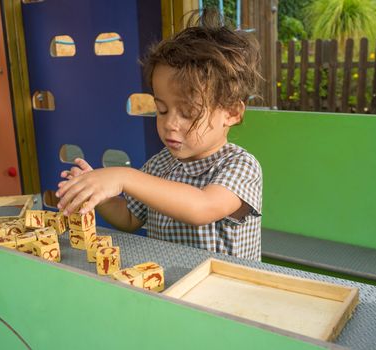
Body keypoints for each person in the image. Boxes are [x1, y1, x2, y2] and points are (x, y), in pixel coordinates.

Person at [56, 9, 263, 260]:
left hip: (222, 292)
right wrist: (99, 194)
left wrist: (123, 176)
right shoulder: (159, 165)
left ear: (231, 113)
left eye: (188, 112)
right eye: (162, 110)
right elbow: (130, 218)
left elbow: (201, 207)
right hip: (168, 283)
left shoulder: (240, 166)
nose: (170, 124)